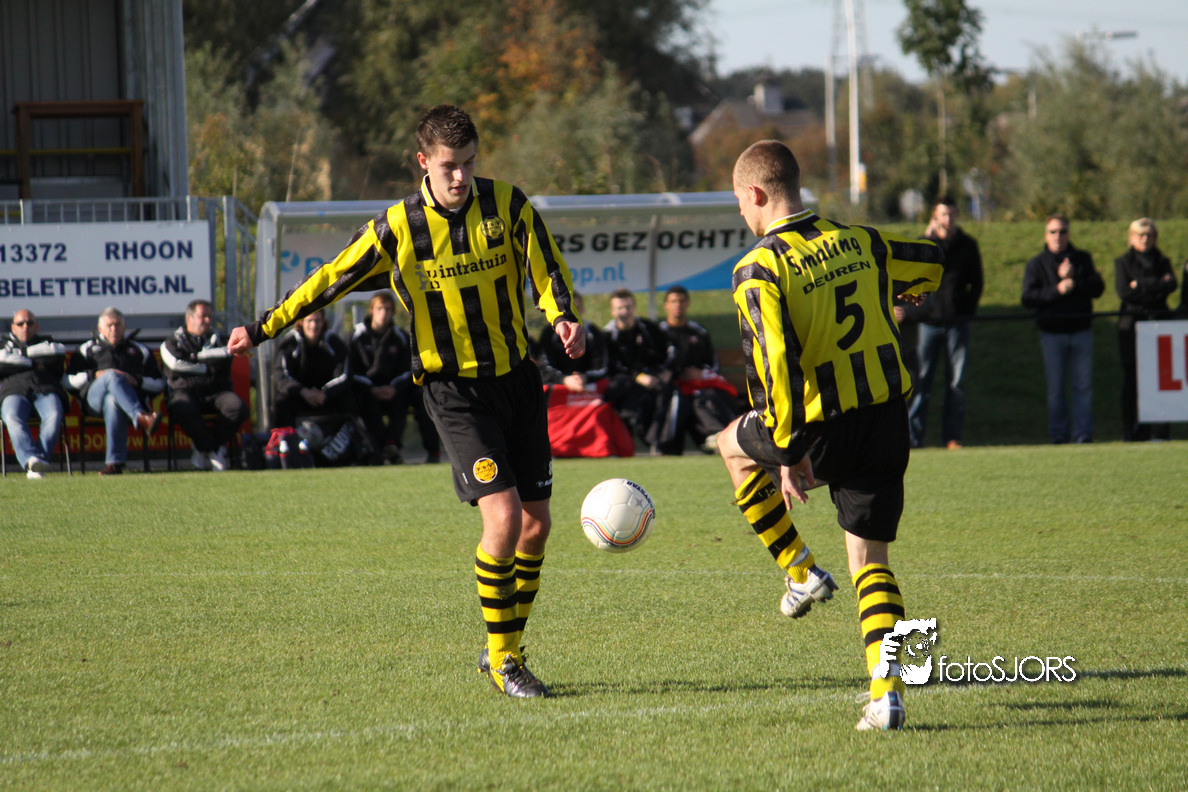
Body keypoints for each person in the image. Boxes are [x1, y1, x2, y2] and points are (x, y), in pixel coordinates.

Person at [227, 104, 584, 698]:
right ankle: (506, 663)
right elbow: (331, 278)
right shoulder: (397, 227)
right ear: (423, 162)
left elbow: (546, 268)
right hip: (454, 390)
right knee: (503, 516)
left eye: (469, 163)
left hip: (518, 381)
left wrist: (563, 316)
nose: (461, 176)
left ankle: (504, 646)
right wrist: (264, 327)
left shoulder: (509, 204)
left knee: (536, 527)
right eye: (449, 166)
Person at [717, 140, 943, 731]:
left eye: (738, 201)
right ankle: (886, 695)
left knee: (729, 446)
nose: (740, 212)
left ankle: (799, 570)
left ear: (755, 193)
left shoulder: (758, 268)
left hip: (819, 428)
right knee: (871, 563)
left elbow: (772, 366)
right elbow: (930, 262)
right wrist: (903, 294)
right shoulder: (862, 242)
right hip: (886, 421)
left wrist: (787, 451)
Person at [904, 196, 983, 449]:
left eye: (951, 214)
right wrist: (928, 242)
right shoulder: (925, 245)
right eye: (943, 215)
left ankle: (952, 437)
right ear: (934, 217)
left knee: (956, 383)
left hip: (956, 323)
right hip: (928, 324)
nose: (948, 220)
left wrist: (965, 311)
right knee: (921, 381)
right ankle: (914, 438)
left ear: (957, 215)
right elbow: (911, 278)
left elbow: (977, 283)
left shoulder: (968, 245)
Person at [1021, 214, 1105, 444]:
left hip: (1081, 331)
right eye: (1053, 232)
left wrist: (1075, 280)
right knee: (1055, 388)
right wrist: (1057, 289)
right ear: (1046, 234)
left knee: (1083, 386)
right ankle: (1058, 435)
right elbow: (1028, 298)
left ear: (1069, 233)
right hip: (1052, 334)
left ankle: (1083, 434)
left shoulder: (1082, 259)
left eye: (1062, 231)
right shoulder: (1037, 264)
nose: (1058, 236)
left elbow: (1098, 288)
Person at [64, 307, 164, 475]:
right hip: (93, 402)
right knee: (111, 375)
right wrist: (94, 375)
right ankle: (141, 417)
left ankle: (114, 464)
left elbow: (160, 383)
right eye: (109, 325)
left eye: (117, 325)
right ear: (100, 328)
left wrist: (136, 380)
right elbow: (67, 381)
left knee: (112, 401)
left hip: (126, 401)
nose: (114, 329)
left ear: (124, 328)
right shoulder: (87, 349)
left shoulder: (140, 351)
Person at [650, 284, 744, 455]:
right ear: (666, 305)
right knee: (678, 399)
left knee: (710, 396)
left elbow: (713, 364)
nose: (678, 305)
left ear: (687, 304)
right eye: (673, 301)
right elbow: (654, 363)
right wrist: (677, 374)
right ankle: (665, 446)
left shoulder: (698, 332)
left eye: (681, 301)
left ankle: (723, 439)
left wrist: (700, 374)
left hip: (699, 384)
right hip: (671, 385)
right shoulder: (658, 333)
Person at [349, 291, 441, 464]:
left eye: (388, 309)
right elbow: (350, 371)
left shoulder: (400, 337)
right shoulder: (356, 336)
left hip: (395, 389)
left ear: (392, 312)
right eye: (380, 309)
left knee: (419, 396)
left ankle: (429, 451)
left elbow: (409, 369)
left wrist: (394, 388)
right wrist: (371, 388)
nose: (384, 313)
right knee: (362, 401)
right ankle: (377, 450)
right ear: (371, 310)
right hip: (367, 389)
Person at [160, 299, 251, 470]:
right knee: (182, 408)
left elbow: (226, 356)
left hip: (217, 391)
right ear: (189, 318)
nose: (208, 320)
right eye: (203, 316)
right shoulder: (172, 342)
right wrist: (207, 366)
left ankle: (204, 448)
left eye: (210, 316)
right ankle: (213, 450)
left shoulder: (220, 339)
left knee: (238, 408)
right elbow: (176, 365)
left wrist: (193, 359)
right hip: (184, 392)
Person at [1114, 218, 1177, 442]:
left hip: (1159, 326)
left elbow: (1171, 285)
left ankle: (1160, 431)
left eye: (1149, 235)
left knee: (1161, 379)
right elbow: (1124, 292)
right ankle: (1130, 430)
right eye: (1140, 235)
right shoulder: (1123, 262)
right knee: (1132, 379)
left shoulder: (1163, 261)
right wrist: (1156, 287)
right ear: (1131, 237)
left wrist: (1140, 285)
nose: (1144, 239)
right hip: (1132, 327)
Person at [0, 310, 68, 478]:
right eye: (20, 324)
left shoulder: (48, 342)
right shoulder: (3, 345)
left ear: (36, 326)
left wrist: (19, 356)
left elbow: (58, 353)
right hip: (13, 391)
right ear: (13, 328)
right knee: (12, 416)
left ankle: (36, 463)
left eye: (29, 323)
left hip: (45, 389)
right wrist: (36, 361)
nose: (25, 327)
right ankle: (32, 459)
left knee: (54, 414)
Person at [271, 310, 357, 432]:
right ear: (301, 322)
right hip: (300, 396)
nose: (314, 325)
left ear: (323, 322)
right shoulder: (290, 343)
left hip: (326, 396)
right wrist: (303, 391)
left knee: (348, 398)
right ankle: (285, 439)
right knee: (282, 400)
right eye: (310, 321)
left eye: (317, 321)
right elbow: (281, 375)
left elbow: (344, 374)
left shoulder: (334, 342)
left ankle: (348, 438)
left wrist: (325, 393)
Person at [602, 287, 666, 440]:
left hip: (651, 378)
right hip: (622, 382)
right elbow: (610, 366)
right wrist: (637, 376)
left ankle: (657, 441)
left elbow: (664, 353)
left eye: (628, 307)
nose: (625, 312)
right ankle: (624, 437)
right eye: (620, 308)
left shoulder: (648, 329)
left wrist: (664, 372)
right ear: (612, 311)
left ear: (635, 308)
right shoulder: (607, 335)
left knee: (666, 390)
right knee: (623, 388)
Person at [536, 291, 607, 393]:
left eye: (576, 309)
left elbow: (602, 368)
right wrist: (564, 380)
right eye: (567, 309)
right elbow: (544, 368)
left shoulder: (593, 332)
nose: (572, 313)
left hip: (587, 389)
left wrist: (584, 378)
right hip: (558, 390)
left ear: (582, 310)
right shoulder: (548, 333)